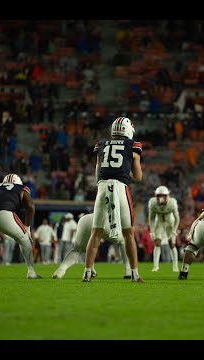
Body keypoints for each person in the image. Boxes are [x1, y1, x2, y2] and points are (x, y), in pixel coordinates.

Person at [83, 116, 143, 282]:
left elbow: (98, 169)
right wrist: (127, 170)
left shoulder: (101, 144)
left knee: (96, 233)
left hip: (102, 188)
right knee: (129, 233)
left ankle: (87, 272)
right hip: (120, 188)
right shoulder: (133, 145)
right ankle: (134, 274)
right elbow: (138, 176)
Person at [52, 213, 131, 279]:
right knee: (123, 241)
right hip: (102, 219)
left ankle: (61, 269)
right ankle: (128, 270)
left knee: (77, 249)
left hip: (84, 219)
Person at [148, 185, 180, 272]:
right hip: (159, 222)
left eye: (162, 196)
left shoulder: (172, 202)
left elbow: (177, 218)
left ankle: (175, 266)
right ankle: (155, 266)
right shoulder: (152, 202)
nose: (160, 198)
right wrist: (152, 231)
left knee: (171, 243)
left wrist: (174, 230)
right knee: (157, 242)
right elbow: (151, 218)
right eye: (158, 196)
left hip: (170, 222)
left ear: (167, 196)